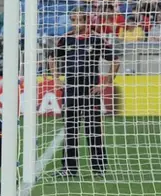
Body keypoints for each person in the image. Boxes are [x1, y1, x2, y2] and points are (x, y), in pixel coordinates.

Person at [48, 13, 118, 177]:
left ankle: (99, 168)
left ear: (87, 21)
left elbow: (115, 61)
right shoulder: (66, 39)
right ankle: (69, 169)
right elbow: (52, 58)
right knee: (70, 129)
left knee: (93, 129)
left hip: (89, 90)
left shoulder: (97, 39)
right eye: (73, 20)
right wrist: (56, 79)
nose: (75, 23)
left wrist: (105, 83)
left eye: (79, 20)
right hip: (71, 90)